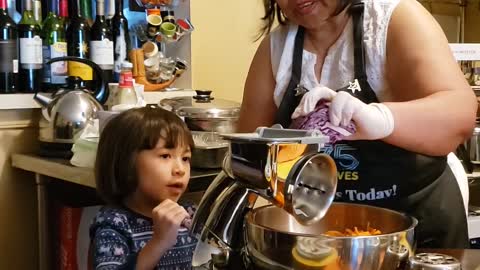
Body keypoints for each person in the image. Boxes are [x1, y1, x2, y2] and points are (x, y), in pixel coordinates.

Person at [238, 0, 477, 248]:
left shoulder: (393, 20)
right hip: (321, 233)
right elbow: (250, 160)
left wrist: (382, 119)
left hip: (417, 223)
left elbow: (459, 115)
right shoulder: (277, 48)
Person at [90, 106, 197, 269]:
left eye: (185, 158)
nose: (180, 169)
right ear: (126, 162)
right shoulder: (115, 224)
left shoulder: (192, 215)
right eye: (165, 156)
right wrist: (159, 242)